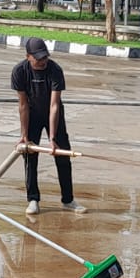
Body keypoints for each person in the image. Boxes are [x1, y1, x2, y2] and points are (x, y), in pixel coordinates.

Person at [13, 37, 86, 216]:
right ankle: (33, 199)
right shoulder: (19, 72)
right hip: (32, 115)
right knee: (30, 156)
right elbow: (22, 105)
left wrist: (52, 139)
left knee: (62, 156)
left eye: (44, 57)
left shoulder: (54, 70)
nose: (42, 61)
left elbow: (54, 105)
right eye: (38, 58)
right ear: (28, 56)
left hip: (54, 114)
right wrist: (24, 135)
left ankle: (68, 200)